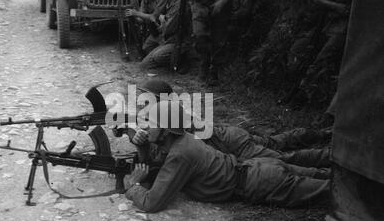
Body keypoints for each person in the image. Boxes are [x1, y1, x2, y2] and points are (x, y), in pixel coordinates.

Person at [123, 100, 331, 213]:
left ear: (166, 131)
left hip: (261, 180)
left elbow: (152, 203)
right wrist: (142, 148)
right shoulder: (183, 139)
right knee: (328, 177)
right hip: (257, 169)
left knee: (336, 193)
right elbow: (159, 159)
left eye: (151, 123)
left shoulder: (180, 154)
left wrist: (132, 186)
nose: (146, 127)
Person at [130, 80, 332, 169]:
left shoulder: (175, 118)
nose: (141, 102)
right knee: (276, 142)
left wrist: (142, 140)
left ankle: (332, 156)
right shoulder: (166, 115)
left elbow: (165, 150)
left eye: (146, 98)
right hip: (231, 136)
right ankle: (324, 134)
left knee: (284, 159)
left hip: (232, 143)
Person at [296, 0, 356, 104]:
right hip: (328, 22)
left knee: (324, 57)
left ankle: (304, 92)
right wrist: (335, 6)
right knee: (309, 53)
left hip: (347, 24)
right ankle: (304, 93)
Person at [177, 0, 240, 86]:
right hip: (198, 2)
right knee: (199, 35)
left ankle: (214, 72)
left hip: (220, 1)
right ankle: (203, 66)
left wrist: (223, 2)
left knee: (219, 40)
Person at [127, 0, 188, 69]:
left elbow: (166, 26)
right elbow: (155, 17)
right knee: (144, 63)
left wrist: (160, 20)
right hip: (165, 36)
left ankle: (181, 59)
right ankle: (163, 55)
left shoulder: (178, 3)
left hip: (175, 39)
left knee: (157, 56)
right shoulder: (166, 0)